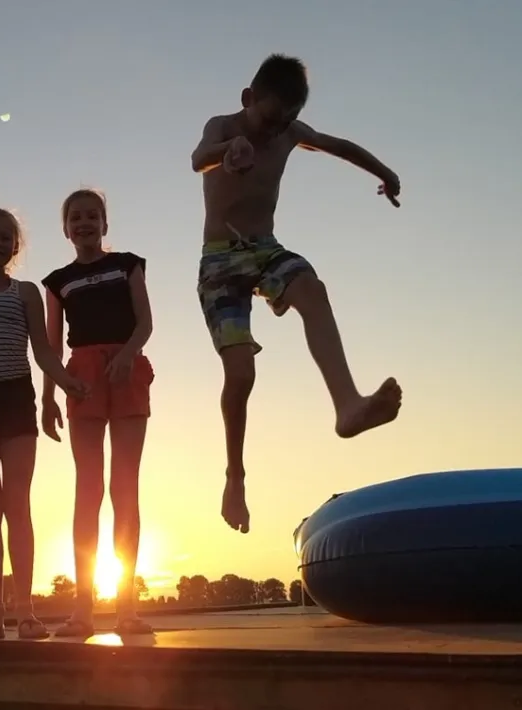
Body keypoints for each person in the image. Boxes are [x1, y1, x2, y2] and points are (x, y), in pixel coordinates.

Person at [189, 54, 404, 535]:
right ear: (248, 99)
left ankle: (347, 405)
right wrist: (228, 150)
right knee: (241, 374)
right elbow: (196, 158)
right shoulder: (223, 125)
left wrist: (383, 171)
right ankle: (235, 476)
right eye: (268, 119)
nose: (274, 131)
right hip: (220, 261)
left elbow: (338, 145)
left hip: (265, 250)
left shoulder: (288, 133)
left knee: (312, 287)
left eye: (285, 121)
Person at [0, 207, 88, 640]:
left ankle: (26, 612)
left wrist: (66, 382)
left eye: (5, 237)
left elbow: (44, 352)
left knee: (18, 505)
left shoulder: (25, 292)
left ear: (15, 246)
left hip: (15, 399)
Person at [42, 188, 155, 638]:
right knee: (87, 490)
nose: (85, 223)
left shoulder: (127, 264)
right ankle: (82, 609)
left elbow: (145, 321)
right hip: (81, 376)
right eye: (76, 217)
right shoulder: (57, 281)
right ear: (66, 229)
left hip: (127, 369)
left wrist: (129, 353)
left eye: (93, 216)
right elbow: (51, 346)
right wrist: (49, 395)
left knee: (124, 487)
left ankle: (127, 607)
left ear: (105, 225)